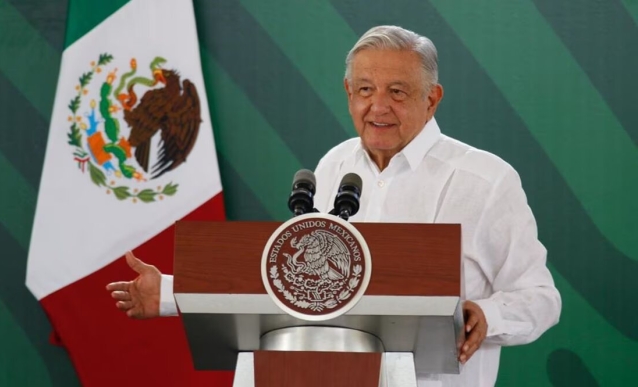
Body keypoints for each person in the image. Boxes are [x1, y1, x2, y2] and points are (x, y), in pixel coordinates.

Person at [107, 25, 561, 386]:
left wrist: (488, 315)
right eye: (365, 90)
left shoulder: (486, 180)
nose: (377, 106)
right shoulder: (333, 167)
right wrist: (171, 293)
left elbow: (541, 299)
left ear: (432, 99)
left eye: (397, 92)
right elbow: (301, 286)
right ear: (348, 93)